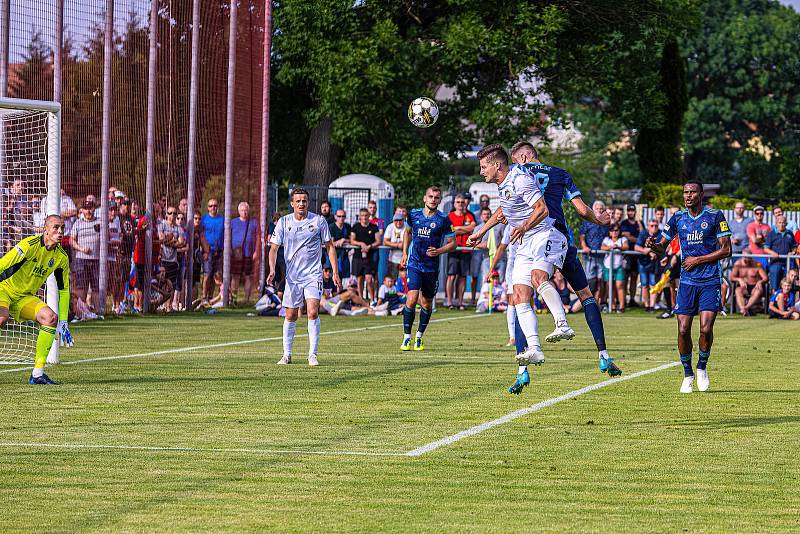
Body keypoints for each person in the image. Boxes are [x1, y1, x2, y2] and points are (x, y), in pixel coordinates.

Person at [468, 144, 575, 395]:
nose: (481, 172)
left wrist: (524, 227)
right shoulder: (503, 185)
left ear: (497, 165)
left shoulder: (520, 179)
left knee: (538, 278)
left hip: (544, 235)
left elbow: (542, 209)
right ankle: (535, 348)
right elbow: (503, 211)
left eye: (484, 167)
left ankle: (562, 324)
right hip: (525, 241)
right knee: (518, 297)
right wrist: (480, 231)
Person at [509, 141, 620, 378]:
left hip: (534, 240)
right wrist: (599, 220)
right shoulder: (560, 173)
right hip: (561, 238)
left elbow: (506, 210)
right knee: (586, 295)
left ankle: (522, 369)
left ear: (523, 157)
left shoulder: (518, 174)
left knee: (523, 297)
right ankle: (603, 356)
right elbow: (581, 210)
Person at [647, 179, 732, 394]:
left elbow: (726, 250)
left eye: (693, 192)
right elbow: (662, 248)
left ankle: (701, 367)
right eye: (685, 192)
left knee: (706, 328)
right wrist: (653, 246)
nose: (688, 196)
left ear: (701, 194)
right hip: (686, 283)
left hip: (710, 281)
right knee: (683, 329)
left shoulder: (715, 216)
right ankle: (687, 373)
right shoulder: (677, 218)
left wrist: (698, 260)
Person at [268, 188, 341, 366]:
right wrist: (272, 270)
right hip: (292, 277)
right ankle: (287, 354)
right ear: (292, 203)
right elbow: (273, 249)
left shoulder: (318, 221)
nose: (301, 204)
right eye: (298, 201)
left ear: (308, 203)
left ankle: (312, 354)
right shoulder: (284, 222)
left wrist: (335, 271)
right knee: (291, 314)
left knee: (313, 311)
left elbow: (330, 247)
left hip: (313, 274)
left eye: (304, 201)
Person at [0, 215, 73, 384]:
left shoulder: (61, 257)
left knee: (50, 318)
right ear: (45, 229)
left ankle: (37, 374)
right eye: (56, 227)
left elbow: (64, 290)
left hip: (24, 297)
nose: (60, 231)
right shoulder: (28, 245)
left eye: (62, 227)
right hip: (4, 289)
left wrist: (63, 321)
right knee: (2, 318)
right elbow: (3, 264)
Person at [399, 186, 456, 351]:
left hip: (431, 268)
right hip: (414, 263)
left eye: (436, 197)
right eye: (430, 196)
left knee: (427, 303)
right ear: (425, 198)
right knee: (411, 298)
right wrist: (404, 252)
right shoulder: (413, 214)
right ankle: (406, 338)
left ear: (439, 200)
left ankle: (419, 337)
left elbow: (453, 244)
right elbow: (407, 233)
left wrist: (439, 251)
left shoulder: (443, 220)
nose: (433, 199)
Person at [446, 193, 476, 309]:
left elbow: (472, 228)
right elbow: (450, 231)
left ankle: (460, 302)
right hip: (453, 249)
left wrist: (458, 229)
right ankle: (449, 302)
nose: (460, 204)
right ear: (454, 204)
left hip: (466, 250)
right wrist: (463, 230)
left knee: (463, 277)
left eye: (462, 202)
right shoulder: (450, 216)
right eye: (458, 202)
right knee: (451, 276)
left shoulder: (470, 215)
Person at [70, 199, 101, 310]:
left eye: (91, 208)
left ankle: (99, 312)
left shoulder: (99, 221)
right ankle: (81, 312)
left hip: (97, 259)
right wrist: (81, 249)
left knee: (96, 288)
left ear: (94, 209)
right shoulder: (78, 223)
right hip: (81, 259)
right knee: (81, 288)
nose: (89, 211)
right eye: (86, 209)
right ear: (82, 210)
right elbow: (71, 240)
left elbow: (108, 237)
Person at [230, 201, 260, 305]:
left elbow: (257, 238)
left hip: (249, 253)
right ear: (239, 211)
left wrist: (256, 251)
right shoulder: (233, 222)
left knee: (248, 276)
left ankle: (247, 299)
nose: (245, 212)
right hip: (236, 254)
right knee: (235, 276)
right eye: (242, 210)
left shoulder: (253, 223)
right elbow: (228, 237)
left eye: (246, 210)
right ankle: (233, 298)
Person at [579, 201, 608, 304]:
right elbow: (582, 236)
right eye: (597, 209)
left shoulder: (606, 223)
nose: (599, 210)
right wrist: (584, 247)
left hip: (602, 256)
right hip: (589, 255)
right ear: (593, 209)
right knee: (590, 281)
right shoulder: (587, 221)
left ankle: (598, 303)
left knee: (601, 281)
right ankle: (588, 302)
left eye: (601, 209)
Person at [350, 208, 381, 302]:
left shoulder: (374, 227)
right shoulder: (355, 227)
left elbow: (378, 241)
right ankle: (361, 300)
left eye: (366, 215)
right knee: (359, 279)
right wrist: (361, 244)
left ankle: (372, 300)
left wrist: (370, 246)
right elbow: (352, 240)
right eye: (362, 216)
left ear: (369, 216)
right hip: (358, 257)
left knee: (369, 279)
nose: (364, 217)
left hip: (369, 257)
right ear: (359, 217)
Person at [158, 206, 183, 311]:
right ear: (166, 214)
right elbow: (161, 239)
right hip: (163, 259)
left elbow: (181, 243)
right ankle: (160, 304)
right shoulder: (162, 225)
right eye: (170, 213)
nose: (172, 215)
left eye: (174, 213)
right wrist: (173, 241)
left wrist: (168, 241)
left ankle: (168, 306)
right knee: (161, 282)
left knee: (171, 284)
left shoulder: (178, 228)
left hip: (173, 260)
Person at [634, 219, 662, 312]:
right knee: (644, 285)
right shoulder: (643, 233)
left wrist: (652, 251)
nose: (654, 227)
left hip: (655, 264)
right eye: (652, 225)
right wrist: (646, 251)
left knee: (653, 284)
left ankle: (652, 306)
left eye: (656, 226)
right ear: (648, 226)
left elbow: (665, 247)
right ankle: (646, 306)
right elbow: (636, 247)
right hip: (643, 263)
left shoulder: (661, 234)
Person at [764, 216, 797, 292]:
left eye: (783, 223)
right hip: (776, 262)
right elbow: (766, 248)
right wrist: (773, 253)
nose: (781, 224)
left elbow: (794, 246)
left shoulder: (790, 233)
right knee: (775, 273)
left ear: (786, 224)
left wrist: (793, 252)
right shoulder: (771, 234)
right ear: (776, 223)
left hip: (788, 262)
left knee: (791, 278)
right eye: (779, 222)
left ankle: (789, 298)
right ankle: (774, 298)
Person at [601, 224, 628, 313]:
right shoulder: (607, 239)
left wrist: (618, 247)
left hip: (619, 266)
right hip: (608, 266)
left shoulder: (622, 239)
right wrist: (611, 247)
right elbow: (602, 247)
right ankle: (612, 305)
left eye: (616, 230)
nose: (614, 232)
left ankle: (621, 306)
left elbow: (626, 246)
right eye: (612, 231)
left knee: (619, 286)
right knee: (609, 286)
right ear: (609, 232)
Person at [620, 204, 643, 308]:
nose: (630, 212)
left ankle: (632, 300)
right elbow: (627, 237)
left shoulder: (640, 223)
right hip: (627, 255)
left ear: (635, 211)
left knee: (634, 278)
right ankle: (623, 300)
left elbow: (644, 233)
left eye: (632, 210)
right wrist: (639, 240)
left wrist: (639, 223)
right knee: (625, 278)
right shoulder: (624, 223)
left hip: (637, 256)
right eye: (628, 210)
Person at [731, 251, 768, 316]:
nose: (745, 259)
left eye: (747, 257)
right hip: (743, 287)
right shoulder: (738, 264)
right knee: (738, 291)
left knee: (758, 291)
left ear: (751, 257)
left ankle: (745, 308)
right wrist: (739, 279)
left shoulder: (757, 265)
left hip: (755, 286)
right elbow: (732, 277)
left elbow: (765, 278)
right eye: (744, 257)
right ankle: (743, 308)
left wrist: (760, 281)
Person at [201, 198, 224, 302]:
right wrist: (205, 249)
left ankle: (210, 297)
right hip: (208, 251)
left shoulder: (222, 219)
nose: (213, 208)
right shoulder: (204, 219)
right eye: (211, 206)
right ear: (208, 208)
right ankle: (203, 297)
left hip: (219, 251)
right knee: (207, 274)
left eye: (215, 205)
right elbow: (200, 234)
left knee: (216, 275)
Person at [328, 209, 351, 279]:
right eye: (339, 216)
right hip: (333, 256)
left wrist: (343, 240)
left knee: (343, 279)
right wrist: (338, 242)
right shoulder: (331, 227)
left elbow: (352, 240)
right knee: (332, 277)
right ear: (335, 217)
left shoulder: (347, 226)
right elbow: (331, 243)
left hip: (344, 257)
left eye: (343, 216)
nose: (341, 218)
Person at [383, 212, 407, 279]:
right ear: (393, 221)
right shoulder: (390, 226)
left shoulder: (407, 226)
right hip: (393, 259)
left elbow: (407, 242)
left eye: (400, 220)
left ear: (403, 220)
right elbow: (385, 241)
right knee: (392, 279)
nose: (398, 222)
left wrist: (402, 244)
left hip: (405, 259)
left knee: (403, 280)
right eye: (396, 220)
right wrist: (397, 245)